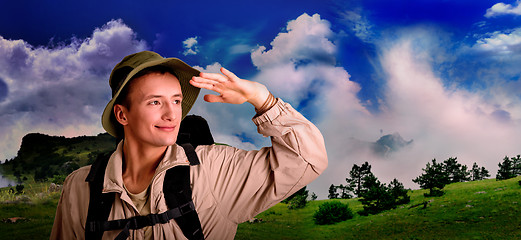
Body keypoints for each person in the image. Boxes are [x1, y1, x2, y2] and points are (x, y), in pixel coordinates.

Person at [50, 51, 328, 239]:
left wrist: (263, 100)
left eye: (176, 100)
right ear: (122, 114)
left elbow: (308, 159)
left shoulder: (214, 170)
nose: (172, 114)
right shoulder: (80, 186)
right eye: (155, 102)